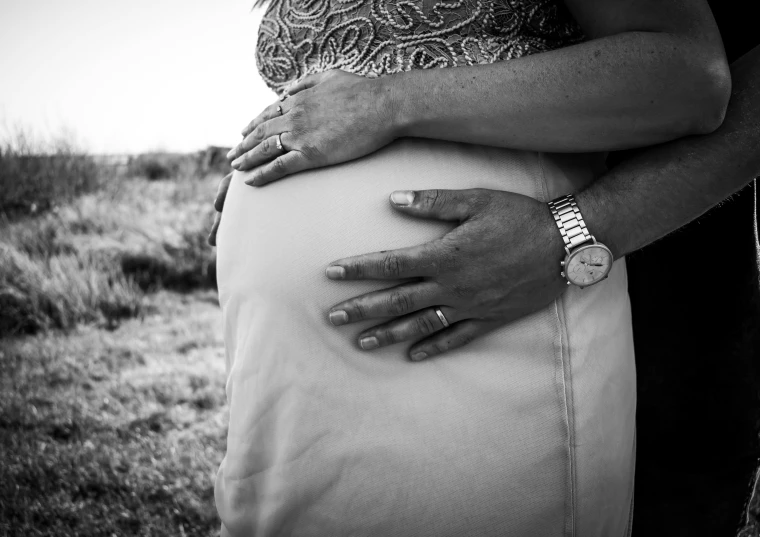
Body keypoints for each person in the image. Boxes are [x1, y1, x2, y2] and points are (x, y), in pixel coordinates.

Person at [211, 1, 730, 535]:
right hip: (287, 363)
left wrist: (389, 103)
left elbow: (689, 76)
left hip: (490, 324)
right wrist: (272, 151)